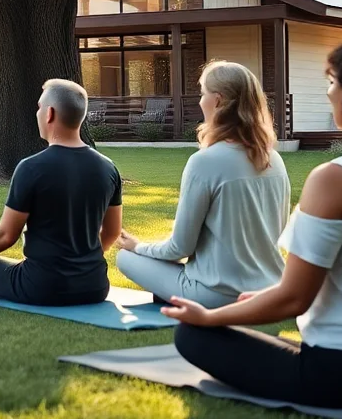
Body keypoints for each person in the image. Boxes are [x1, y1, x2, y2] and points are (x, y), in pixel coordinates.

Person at [163, 33, 342, 410]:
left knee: (193, 335)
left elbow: (295, 298)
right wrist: (268, 299)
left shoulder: (334, 178)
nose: (329, 92)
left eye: (334, 82)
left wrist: (209, 316)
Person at [115, 61, 290, 308]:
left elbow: (180, 247)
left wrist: (139, 246)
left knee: (125, 257)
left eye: (202, 94)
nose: (200, 101)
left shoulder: (205, 161)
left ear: (217, 101)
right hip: (269, 290)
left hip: (217, 294)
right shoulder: (273, 159)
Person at [0, 79, 122, 305]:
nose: (37, 113)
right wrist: (80, 264)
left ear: (50, 114)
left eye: (39, 107)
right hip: (94, 287)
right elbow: (112, 232)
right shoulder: (108, 168)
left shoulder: (30, 167)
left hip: (42, 287)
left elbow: (6, 235)